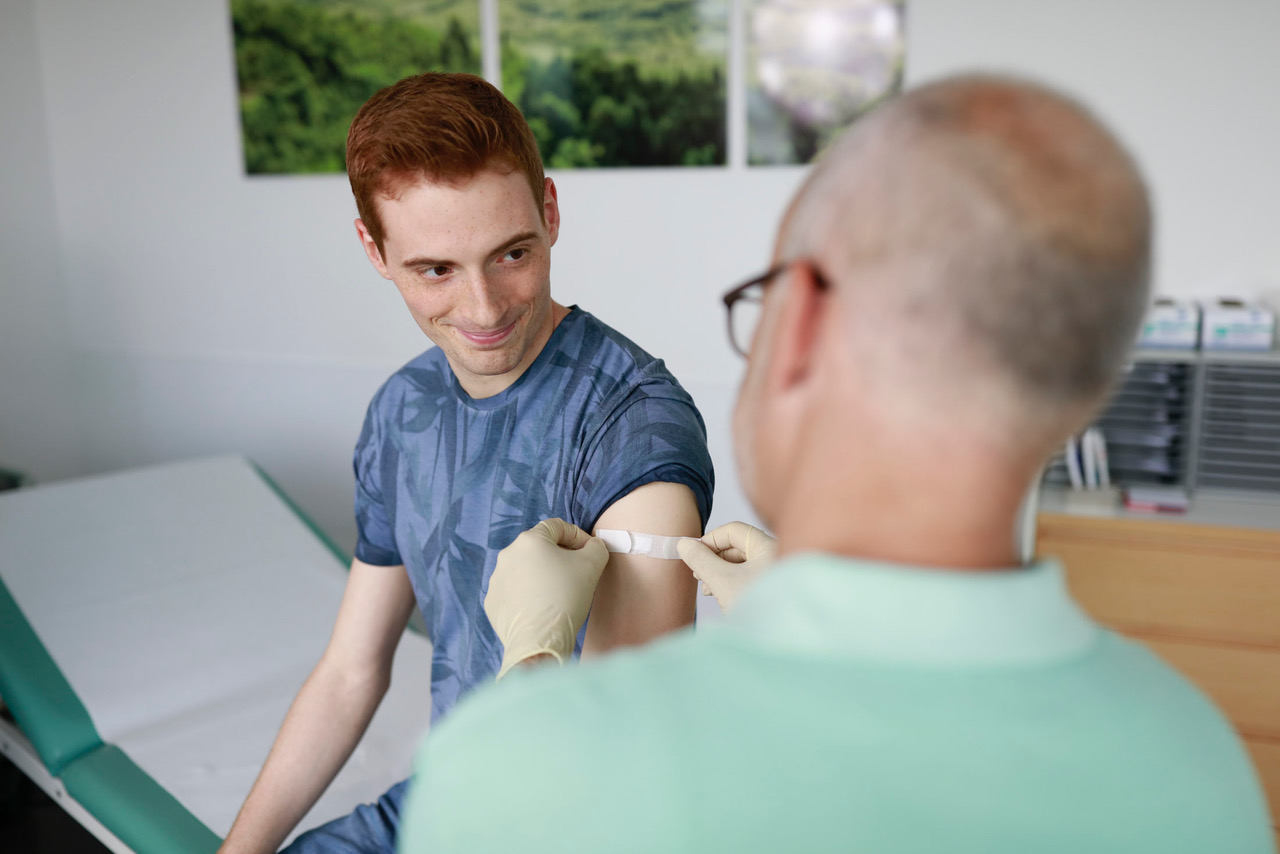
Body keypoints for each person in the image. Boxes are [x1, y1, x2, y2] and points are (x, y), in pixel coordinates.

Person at [397, 74, 1276, 852]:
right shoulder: (1199, 762)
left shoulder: (519, 773)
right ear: (1086, 395)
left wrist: (531, 660)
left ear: (804, 325)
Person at [218, 73, 714, 854]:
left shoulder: (633, 429)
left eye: (511, 253)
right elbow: (352, 672)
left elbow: (618, 773)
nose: (484, 310)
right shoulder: (402, 409)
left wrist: (535, 663)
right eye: (435, 271)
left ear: (551, 212)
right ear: (373, 251)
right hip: (448, 798)